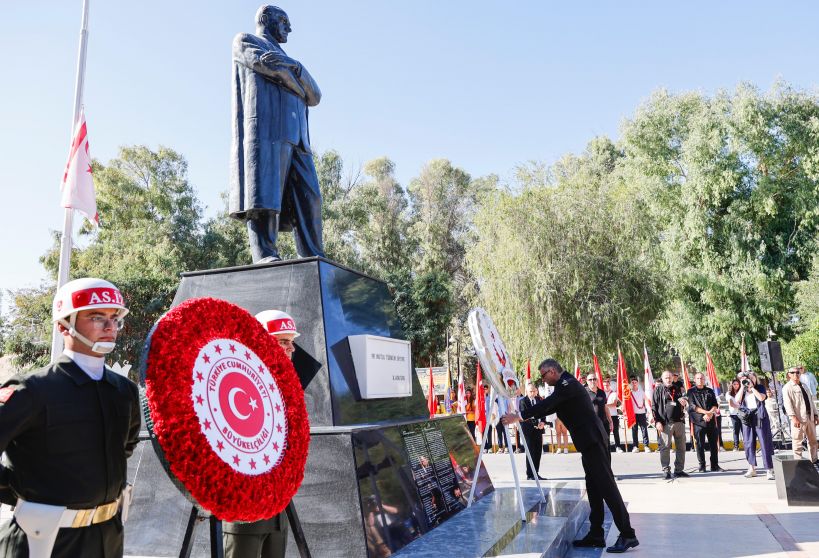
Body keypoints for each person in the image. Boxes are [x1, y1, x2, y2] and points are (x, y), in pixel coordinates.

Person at [0, 278, 141, 558]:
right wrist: (17, 490)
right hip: (43, 541)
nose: (110, 326)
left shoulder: (124, 390)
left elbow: (124, 449)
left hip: (107, 536)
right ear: (64, 325)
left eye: (114, 318)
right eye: (96, 317)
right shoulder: (32, 389)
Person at [502, 360, 639, 553]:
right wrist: (523, 415)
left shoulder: (567, 384)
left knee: (607, 487)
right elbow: (549, 407)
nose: (542, 379)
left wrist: (519, 416)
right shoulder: (563, 385)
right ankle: (596, 533)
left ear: (551, 371)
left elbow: (549, 404)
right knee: (593, 488)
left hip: (593, 441)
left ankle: (628, 534)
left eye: (543, 375)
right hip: (588, 443)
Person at [230, 5, 325, 262]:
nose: (289, 28)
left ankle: (313, 254)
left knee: (311, 197)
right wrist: (296, 80)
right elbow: (266, 64)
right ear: (264, 19)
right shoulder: (246, 41)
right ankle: (264, 253)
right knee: (264, 194)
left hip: (298, 139)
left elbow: (314, 95)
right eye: (284, 20)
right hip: (266, 130)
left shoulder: (291, 61)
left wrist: (293, 68)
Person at [223, 309, 301, 558]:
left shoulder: (287, 389)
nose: (291, 349)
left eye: (292, 342)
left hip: (278, 508)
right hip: (245, 508)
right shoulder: (235, 384)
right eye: (283, 341)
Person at [731, 371, 775, 480]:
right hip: (747, 417)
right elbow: (736, 401)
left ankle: (769, 469)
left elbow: (761, 398)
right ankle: (752, 468)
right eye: (748, 378)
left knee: (765, 442)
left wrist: (752, 388)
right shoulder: (743, 389)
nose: (750, 380)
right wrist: (742, 387)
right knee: (748, 442)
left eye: (752, 378)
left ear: (755, 379)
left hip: (760, 417)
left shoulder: (759, 387)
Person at [652, 371, 689, 479]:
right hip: (665, 423)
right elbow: (654, 407)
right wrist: (657, 421)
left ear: (673, 378)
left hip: (679, 422)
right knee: (665, 447)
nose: (668, 379)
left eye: (670, 377)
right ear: (662, 379)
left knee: (681, 447)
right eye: (666, 378)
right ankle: (666, 470)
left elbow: (685, 397)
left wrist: (685, 401)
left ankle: (679, 470)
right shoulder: (658, 389)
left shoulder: (677, 388)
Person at [687, 373, 723, 473]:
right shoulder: (690, 391)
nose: (700, 380)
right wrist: (706, 413)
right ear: (694, 379)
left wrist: (710, 413)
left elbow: (715, 404)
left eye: (702, 378)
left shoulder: (710, 390)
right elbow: (692, 406)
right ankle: (702, 466)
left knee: (713, 445)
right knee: (700, 445)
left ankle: (714, 465)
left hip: (710, 421)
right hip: (698, 421)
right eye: (698, 378)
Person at [782, 367, 818, 463]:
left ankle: (814, 460)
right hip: (798, 418)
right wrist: (793, 418)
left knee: (813, 441)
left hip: (809, 417)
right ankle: (798, 463)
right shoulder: (787, 388)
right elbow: (787, 404)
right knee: (798, 442)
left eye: (797, 372)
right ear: (789, 374)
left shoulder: (804, 385)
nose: (795, 374)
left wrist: (816, 415)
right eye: (792, 372)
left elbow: (811, 401)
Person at [518, 383, 546, 480]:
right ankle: (530, 474)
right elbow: (525, 415)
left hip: (539, 429)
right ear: (527, 391)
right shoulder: (523, 401)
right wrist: (535, 424)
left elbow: (544, 412)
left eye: (534, 391)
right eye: (530, 391)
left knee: (538, 451)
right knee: (530, 451)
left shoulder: (539, 400)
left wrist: (542, 422)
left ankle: (536, 473)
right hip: (528, 430)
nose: (533, 393)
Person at [586, 374, 613, 446]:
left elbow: (605, 406)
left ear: (597, 380)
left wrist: (610, 421)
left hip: (603, 423)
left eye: (594, 379)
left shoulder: (602, 392)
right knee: (594, 447)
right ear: (587, 381)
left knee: (606, 446)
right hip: (591, 425)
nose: (592, 381)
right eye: (590, 379)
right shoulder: (584, 393)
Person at [629, 377, 651, 453]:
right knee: (634, 431)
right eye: (632, 383)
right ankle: (635, 446)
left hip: (641, 413)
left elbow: (646, 401)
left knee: (644, 430)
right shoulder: (629, 393)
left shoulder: (641, 392)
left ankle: (646, 446)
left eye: (635, 382)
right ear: (631, 384)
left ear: (638, 383)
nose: (634, 384)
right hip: (633, 414)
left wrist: (649, 411)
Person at [727, 379, 744, 451]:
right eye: (734, 384)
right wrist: (740, 406)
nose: (736, 385)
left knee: (744, 430)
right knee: (736, 431)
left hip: (742, 414)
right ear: (732, 385)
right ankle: (736, 446)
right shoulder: (728, 393)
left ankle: (747, 445)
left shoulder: (742, 392)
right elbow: (731, 404)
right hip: (734, 414)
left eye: (737, 384)